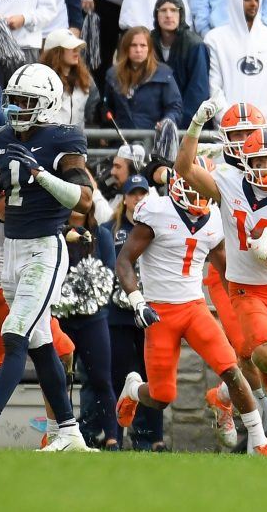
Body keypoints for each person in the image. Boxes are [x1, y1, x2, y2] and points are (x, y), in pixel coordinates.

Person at [176, 98, 267, 457]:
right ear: (247, 161)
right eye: (260, 160)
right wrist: (195, 124)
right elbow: (183, 167)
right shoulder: (227, 182)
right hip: (245, 288)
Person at [115, 157, 267, 456]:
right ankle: (133, 390)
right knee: (162, 395)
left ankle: (260, 441)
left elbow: (227, 269)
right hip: (160, 312)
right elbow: (124, 260)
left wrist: (250, 298)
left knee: (231, 369)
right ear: (177, 185)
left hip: (194, 308)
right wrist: (137, 301)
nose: (198, 199)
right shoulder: (156, 211)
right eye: (192, 189)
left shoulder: (214, 217)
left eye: (202, 191)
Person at [0, 63, 94, 451]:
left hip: (45, 247)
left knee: (15, 332)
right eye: (13, 100)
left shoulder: (63, 137)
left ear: (47, 104)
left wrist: (40, 174)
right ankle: (70, 432)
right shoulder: (3, 137)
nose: (16, 108)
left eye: (25, 101)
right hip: (11, 251)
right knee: (42, 344)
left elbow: (85, 199)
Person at [0, 193, 75, 448]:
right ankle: (56, 431)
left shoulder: (24, 211)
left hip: (0, 300)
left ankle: (54, 431)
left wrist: (66, 230)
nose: (13, 203)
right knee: (58, 350)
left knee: (62, 352)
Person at [102, 173, 165, 452]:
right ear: (125, 198)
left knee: (153, 377)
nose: (138, 198)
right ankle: (115, 436)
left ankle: (152, 438)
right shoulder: (109, 228)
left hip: (150, 314)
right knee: (119, 375)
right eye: (133, 193)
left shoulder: (160, 227)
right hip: (118, 315)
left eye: (143, 194)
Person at [57, 203, 119, 450]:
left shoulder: (101, 234)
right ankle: (61, 435)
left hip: (94, 319)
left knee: (101, 379)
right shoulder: (55, 233)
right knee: (59, 380)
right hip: (62, 319)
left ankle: (112, 438)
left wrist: (88, 292)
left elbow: (109, 271)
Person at [205, 0, 267, 130]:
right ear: (234, 0)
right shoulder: (215, 39)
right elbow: (214, 88)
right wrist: (230, 123)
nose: (253, 3)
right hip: (228, 133)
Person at [103, 26, 182, 130]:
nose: (138, 50)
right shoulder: (113, 75)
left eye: (143, 45)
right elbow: (107, 108)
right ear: (126, 48)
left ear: (149, 49)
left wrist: (167, 121)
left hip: (153, 139)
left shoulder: (164, 74)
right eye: (133, 45)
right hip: (121, 140)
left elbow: (174, 107)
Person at [150, 0, 209, 130]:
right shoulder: (147, 43)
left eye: (173, 10)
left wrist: (179, 123)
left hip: (187, 124)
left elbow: (198, 91)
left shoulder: (195, 45)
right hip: (154, 123)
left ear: (181, 15)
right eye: (163, 10)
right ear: (156, 15)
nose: (168, 15)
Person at [39, 28, 100, 128]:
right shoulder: (40, 80)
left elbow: (92, 112)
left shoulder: (86, 79)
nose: (76, 50)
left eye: (77, 46)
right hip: (49, 141)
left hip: (77, 141)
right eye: (70, 47)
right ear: (56, 52)